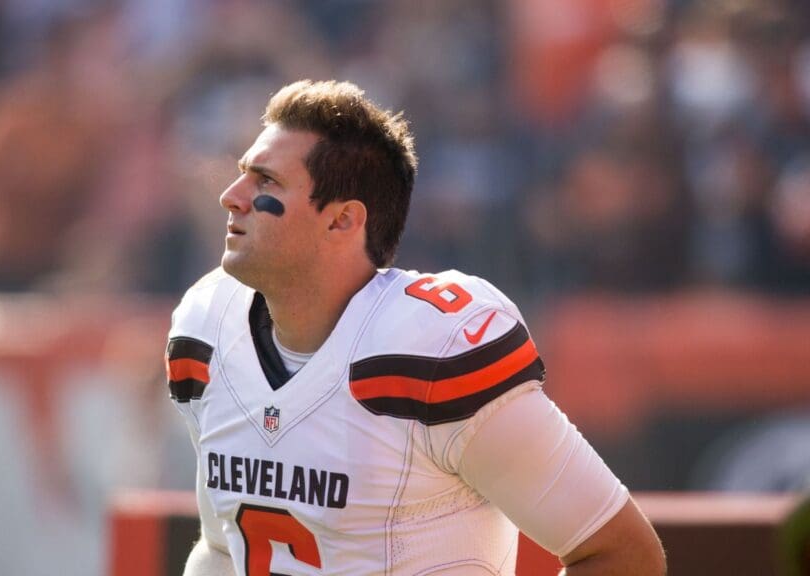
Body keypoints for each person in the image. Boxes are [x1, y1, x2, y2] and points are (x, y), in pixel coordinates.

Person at [166, 80, 665, 575]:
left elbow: (622, 554)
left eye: (266, 181)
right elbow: (222, 549)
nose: (231, 196)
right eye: (241, 174)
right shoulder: (210, 326)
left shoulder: (433, 350)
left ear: (341, 221)